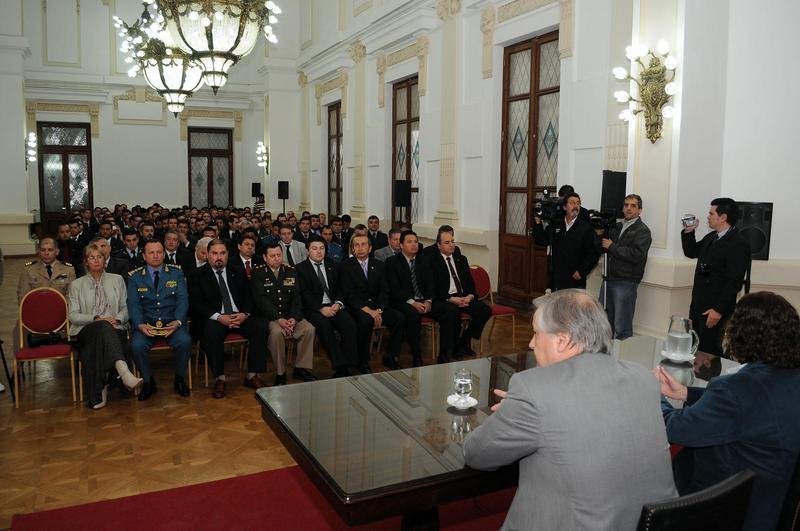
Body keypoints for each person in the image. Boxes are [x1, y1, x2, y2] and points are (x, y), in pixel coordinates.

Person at [464, 289, 677, 530]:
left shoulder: (534, 388)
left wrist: (517, 411)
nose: (531, 343)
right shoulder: (642, 377)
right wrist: (522, 411)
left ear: (562, 340)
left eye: (536, 333)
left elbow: (477, 454)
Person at [655, 291, 800, 531]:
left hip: (723, 510)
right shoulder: (790, 378)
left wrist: (653, 397)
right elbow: (753, 409)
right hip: (770, 503)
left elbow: (675, 429)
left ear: (741, 334)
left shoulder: (736, 388)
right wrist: (687, 393)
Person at [189, 239, 269, 398]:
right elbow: (196, 304)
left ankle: (252, 375)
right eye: (214, 253)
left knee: (261, 326)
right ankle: (220, 378)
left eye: (222, 253)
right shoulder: (197, 274)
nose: (219, 257)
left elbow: (249, 297)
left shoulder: (237, 270)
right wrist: (219, 317)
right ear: (207, 255)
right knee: (211, 331)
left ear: (228, 254)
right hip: (215, 319)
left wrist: (244, 314)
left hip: (238, 316)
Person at [68, 243, 142, 409]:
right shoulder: (76, 285)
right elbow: (73, 315)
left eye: (99, 257)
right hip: (87, 329)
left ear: (105, 259)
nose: (96, 260)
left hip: (115, 326)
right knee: (102, 326)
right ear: (86, 262)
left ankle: (100, 389)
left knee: (106, 332)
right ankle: (123, 370)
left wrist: (118, 319)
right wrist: (96, 318)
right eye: (92, 257)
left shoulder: (117, 280)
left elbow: (126, 308)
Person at [681, 197, 751, 357]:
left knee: (710, 353)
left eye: (711, 213)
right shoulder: (712, 237)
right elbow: (691, 251)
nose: (708, 217)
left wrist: (718, 310)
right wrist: (689, 231)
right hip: (698, 305)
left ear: (723, 217)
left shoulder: (738, 244)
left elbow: (734, 282)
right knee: (695, 349)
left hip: (715, 309)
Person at [127, 239, 192, 401]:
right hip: (147, 324)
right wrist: (140, 324)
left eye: (159, 252)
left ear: (164, 254)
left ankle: (179, 379)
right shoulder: (135, 277)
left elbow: (183, 300)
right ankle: (148, 381)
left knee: (185, 341)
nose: (155, 256)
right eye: (151, 252)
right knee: (137, 346)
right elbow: (133, 304)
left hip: (172, 323)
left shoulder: (176, 273)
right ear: (144, 255)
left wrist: (178, 322)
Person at [386, 231, 461, 365]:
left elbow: (431, 283)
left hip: (424, 300)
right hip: (404, 301)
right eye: (409, 242)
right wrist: (413, 303)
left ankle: (444, 354)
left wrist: (428, 301)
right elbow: (395, 289)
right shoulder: (392, 262)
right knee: (413, 315)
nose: (414, 244)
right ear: (401, 245)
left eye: (416, 241)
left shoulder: (423, 260)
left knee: (450, 311)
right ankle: (417, 355)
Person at [251, 242, 316, 385]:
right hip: (270, 317)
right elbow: (261, 301)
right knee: (276, 333)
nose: (276, 258)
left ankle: (301, 369)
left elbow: (296, 297)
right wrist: (278, 319)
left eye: (279, 255)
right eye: (272, 256)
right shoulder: (258, 272)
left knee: (309, 329)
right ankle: (280, 373)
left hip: (290, 315)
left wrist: (294, 318)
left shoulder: (290, 270)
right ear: (265, 257)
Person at [339, 234, 406, 370]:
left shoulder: (379, 265)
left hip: (378, 307)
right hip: (358, 308)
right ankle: (362, 360)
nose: (360, 248)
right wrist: (369, 311)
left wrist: (379, 310)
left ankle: (391, 356)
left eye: (364, 244)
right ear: (352, 249)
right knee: (366, 320)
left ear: (370, 248)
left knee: (399, 318)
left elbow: (385, 290)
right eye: (356, 245)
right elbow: (349, 294)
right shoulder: (345, 266)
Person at [295, 236, 359, 378]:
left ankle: (349, 364)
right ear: (307, 251)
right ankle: (340, 366)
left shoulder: (333, 266)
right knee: (324, 326)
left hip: (333, 305)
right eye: (314, 248)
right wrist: (320, 308)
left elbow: (341, 288)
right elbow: (303, 293)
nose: (318, 252)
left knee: (349, 324)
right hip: (313, 309)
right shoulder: (300, 269)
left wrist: (338, 303)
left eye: (322, 248)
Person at [428, 226, 491, 358]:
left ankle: (464, 340)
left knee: (484, 310)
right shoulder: (432, 262)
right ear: (439, 245)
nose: (451, 245)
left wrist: (470, 296)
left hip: (462, 296)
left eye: (452, 241)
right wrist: (450, 299)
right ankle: (450, 350)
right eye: (447, 242)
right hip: (444, 298)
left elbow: (469, 282)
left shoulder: (461, 259)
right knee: (453, 313)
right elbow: (433, 287)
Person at [599, 194, 652, 340]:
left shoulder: (642, 230)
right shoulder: (617, 226)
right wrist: (599, 234)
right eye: (626, 205)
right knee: (603, 322)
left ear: (640, 210)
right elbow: (602, 247)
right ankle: (606, 353)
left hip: (625, 281)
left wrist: (612, 246)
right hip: (608, 279)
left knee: (622, 326)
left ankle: (623, 354)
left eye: (633, 206)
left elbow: (636, 254)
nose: (628, 208)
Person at [533, 192, 600, 290]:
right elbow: (542, 240)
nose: (575, 206)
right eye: (572, 203)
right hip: (557, 277)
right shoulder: (556, 224)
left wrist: (582, 271)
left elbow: (593, 253)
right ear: (564, 207)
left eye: (578, 203)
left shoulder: (586, 228)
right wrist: (538, 222)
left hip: (575, 278)